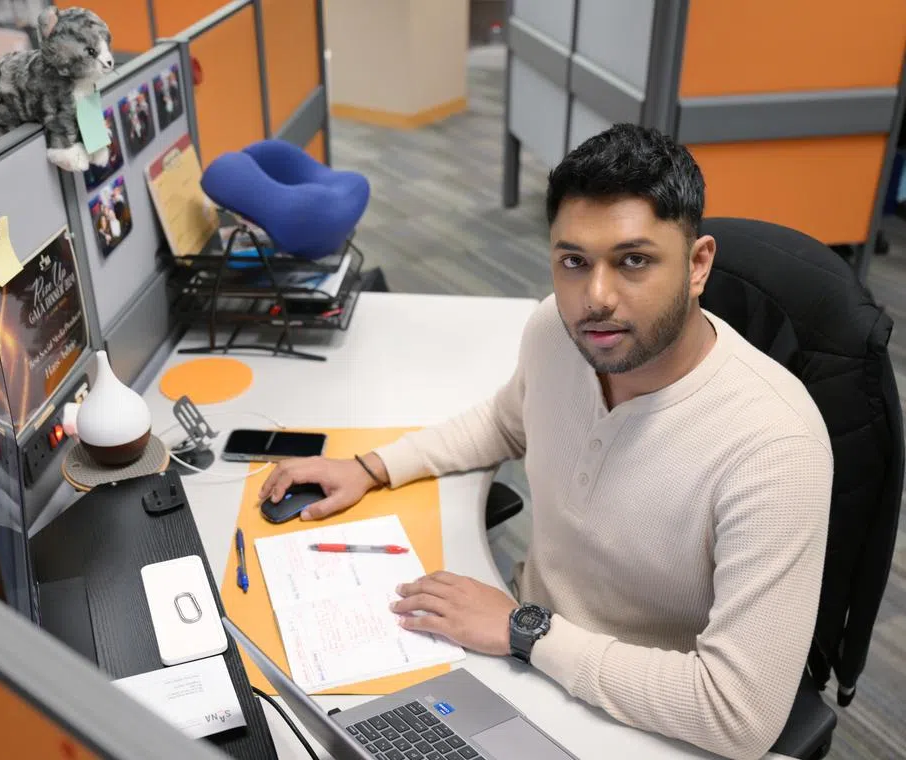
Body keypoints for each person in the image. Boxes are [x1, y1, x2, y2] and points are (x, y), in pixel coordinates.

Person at [258, 124, 832, 760]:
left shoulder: (775, 447)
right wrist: (372, 466)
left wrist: (524, 631)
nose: (596, 298)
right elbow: (507, 421)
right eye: (573, 261)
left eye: (634, 261)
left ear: (697, 265)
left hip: (650, 723)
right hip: (527, 662)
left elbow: (737, 713)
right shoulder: (557, 333)